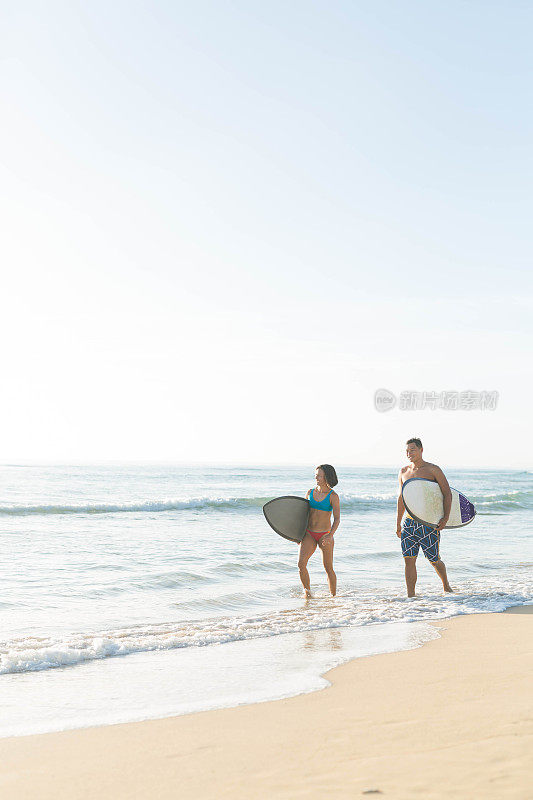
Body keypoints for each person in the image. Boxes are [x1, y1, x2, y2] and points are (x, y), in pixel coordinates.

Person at [396, 438, 453, 597]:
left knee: (434, 559)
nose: (409, 453)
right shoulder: (403, 472)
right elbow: (401, 498)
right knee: (408, 559)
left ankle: (446, 586)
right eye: (407, 451)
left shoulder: (433, 470)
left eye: (412, 450)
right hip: (409, 522)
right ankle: (411, 596)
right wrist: (398, 523)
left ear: (421, 450)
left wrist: (445, 518)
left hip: (428, 522)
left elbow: (447, 494)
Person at [298, 464, 340, 598]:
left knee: (328, 568)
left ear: (326, 477)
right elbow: (302, 515)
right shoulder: (310, 492)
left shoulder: (333, 496)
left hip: (324, 535)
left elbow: (337, 519)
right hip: (309, 533)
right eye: (316, 474)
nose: (316, 477)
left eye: (319, 475)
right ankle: (307, 593)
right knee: (301, 564)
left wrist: (330, 535)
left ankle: (333, 597)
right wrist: (298, 535)